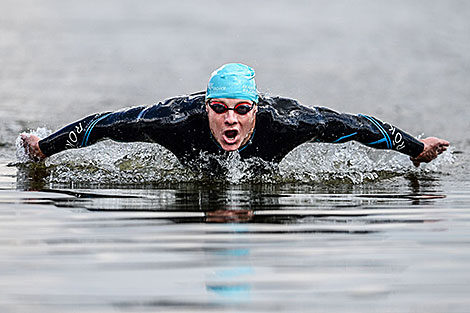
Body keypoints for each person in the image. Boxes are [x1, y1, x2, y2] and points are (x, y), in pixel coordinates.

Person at [21, 63, 449, 170]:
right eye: (220, 109)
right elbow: (105, 124)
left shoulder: (288, 123)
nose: (230, 121)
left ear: (256, 110)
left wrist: (416, 149)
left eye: (242, 111)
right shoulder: (173, 121)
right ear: (206, 107)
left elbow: (357, 126)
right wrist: (44, 148)